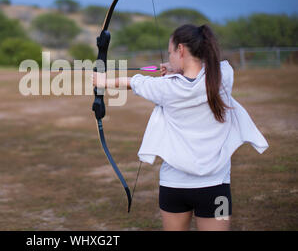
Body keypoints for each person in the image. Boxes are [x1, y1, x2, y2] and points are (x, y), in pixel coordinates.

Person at [92, 24, 269, 231]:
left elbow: (134, 82)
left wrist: (102, 80)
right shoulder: (224, 77)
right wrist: (180, 68)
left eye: (170, 52)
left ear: (181, 50)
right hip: (216, 187)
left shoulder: (165, 88)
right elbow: (205, 71)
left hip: (174, 187)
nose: (169, 57)